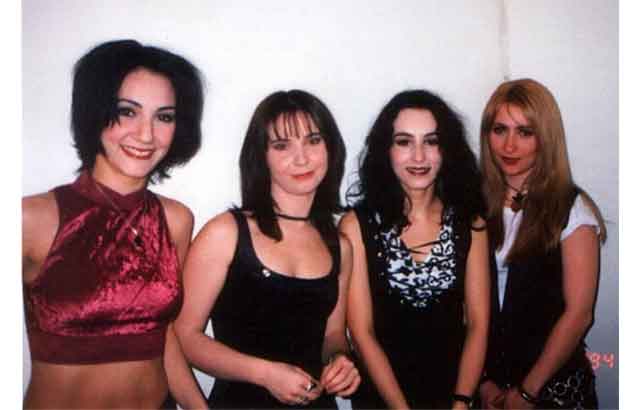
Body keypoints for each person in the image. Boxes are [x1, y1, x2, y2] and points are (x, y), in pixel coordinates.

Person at [22, 39, 207, 409]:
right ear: (94, 113)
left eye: (164, 117)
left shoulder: (176, 220)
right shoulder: (32, 218)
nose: (146, 134)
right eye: (127, 112)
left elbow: (162, 334)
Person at [174, 90, 360, 409]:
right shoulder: (226, 232)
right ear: (261, 156)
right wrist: (264, 374)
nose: (302, 158)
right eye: (282, 145)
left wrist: (340, 360)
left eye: (313, 141)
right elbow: (184, 336)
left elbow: (332, 335)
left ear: (331, 148)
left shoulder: (340, 246)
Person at [340, 89, 490, 409]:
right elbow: (362, 333)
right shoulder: (356, 226)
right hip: (382, 399)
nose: (419, 157)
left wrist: (462, 401)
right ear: (386, 150)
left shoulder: (470, 223)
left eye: (431, 141)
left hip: (454, 395)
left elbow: (478, 325)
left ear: (447, 149)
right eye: (404, 142)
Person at [476, 78, 606, 410]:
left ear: (545, 138)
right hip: (486, 389)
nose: (509, 146)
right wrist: (483, 381)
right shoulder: (472, 204)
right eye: (500, 130)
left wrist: (527, 392)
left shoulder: (572, 210)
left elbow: (579, 315)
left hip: (552, 391)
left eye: (525, 132)